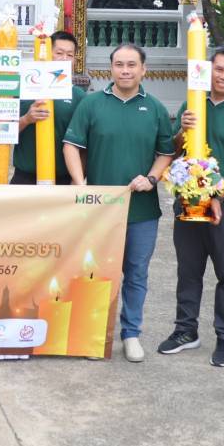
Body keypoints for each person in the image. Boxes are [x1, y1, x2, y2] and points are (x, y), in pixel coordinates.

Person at [64, 44, 175, 363]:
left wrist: (151, 178)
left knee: (136, 273)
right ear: (110, 68)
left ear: (143, 69)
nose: (125, 70)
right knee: (96, 273)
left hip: (142, 210)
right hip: (100, 209)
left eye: (131, 65)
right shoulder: (92, 104)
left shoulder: (154, 108)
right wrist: (80, 183)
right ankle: (95, 334)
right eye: (119, 64)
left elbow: (165, 153)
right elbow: (71, 145)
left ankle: (131, 333)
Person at [158, 45, 224, 368]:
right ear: (208, 70)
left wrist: (218, 196)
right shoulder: (193, 103)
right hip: (188, 200)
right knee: (188, 270)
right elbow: (176, 150)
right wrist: (183, 130)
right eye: (219, 69)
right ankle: (185, 331)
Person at [13, 31, 85, 185]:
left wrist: (76, 180)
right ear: (46, 53)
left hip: (63, 180)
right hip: (25, 179)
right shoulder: (22, 89)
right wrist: (26, 119)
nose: (64, 59)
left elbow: (84, 144)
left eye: (70, 55)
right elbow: (1, 133)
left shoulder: (79, 96)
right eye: (59, 53)